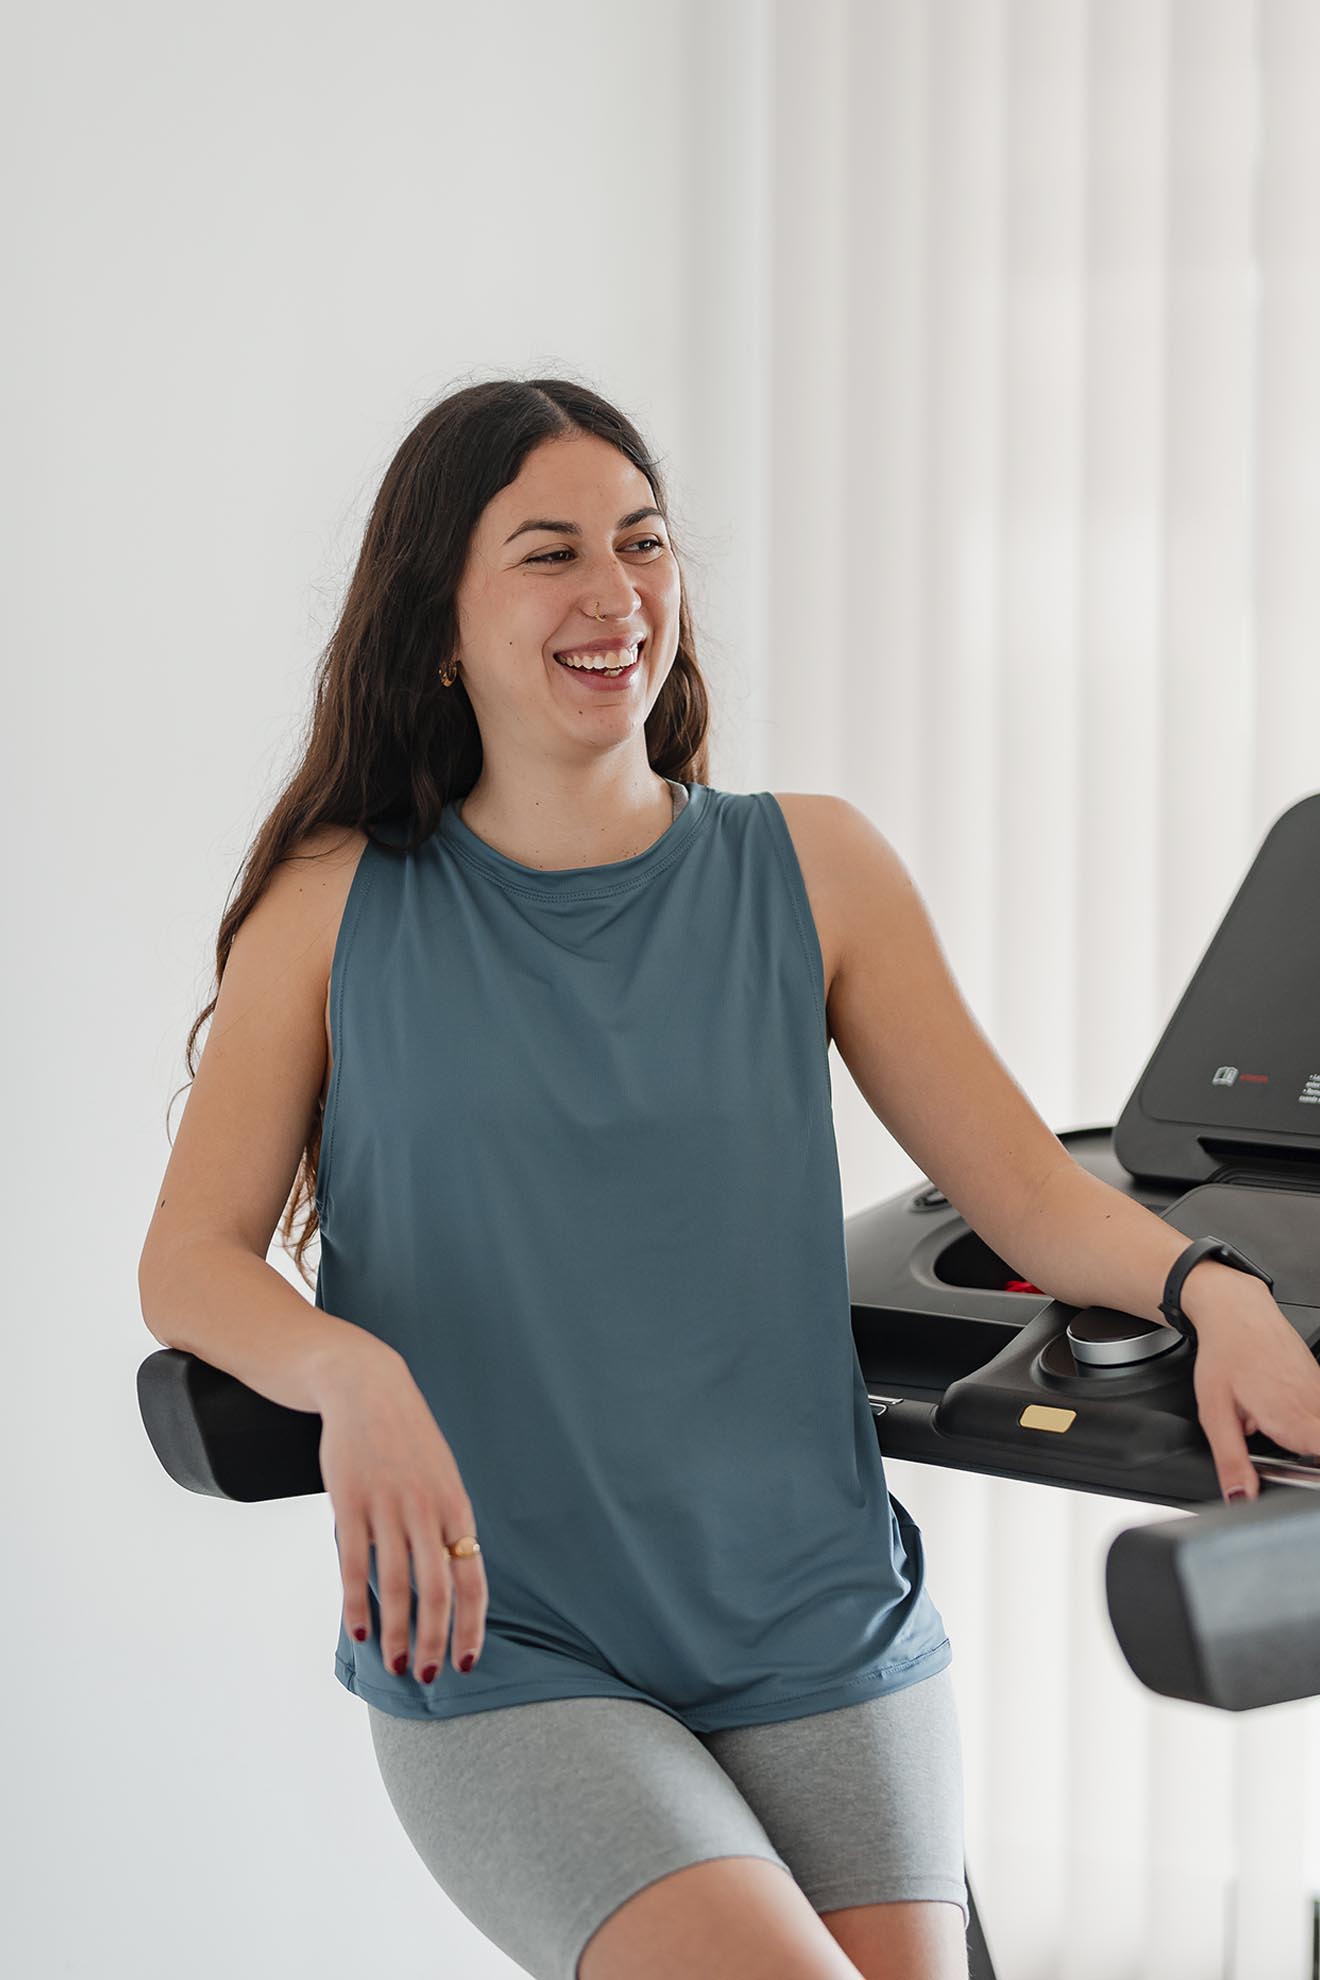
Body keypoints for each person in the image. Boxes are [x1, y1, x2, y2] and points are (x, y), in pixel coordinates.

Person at [140, 377, 971, 1980]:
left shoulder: (815, 867)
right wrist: (354, 1374)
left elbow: (1026, 1195)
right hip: (506, 1640)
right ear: (440, 627)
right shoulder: (334, 906)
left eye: (642, 543)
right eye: (550, 553)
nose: (616, 592)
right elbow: (189, 1256)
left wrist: (1207, 1291)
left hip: (817, 1618)